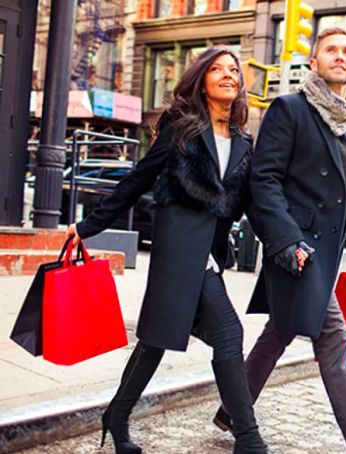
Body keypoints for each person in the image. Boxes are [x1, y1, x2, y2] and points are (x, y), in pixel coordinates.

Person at [211, 27, 346, 454]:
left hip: (323, 252)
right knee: (334, 337)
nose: (339, 56)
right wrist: (286, 241)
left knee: (281, 330)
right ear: (314, 62)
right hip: (296, 249)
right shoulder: (290, 110)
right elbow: (263, 180)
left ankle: (232, 411)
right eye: (331, 50)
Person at [65, 46, 267, 454]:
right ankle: (249, 441)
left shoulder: (245, 142)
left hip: (210, 254)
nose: (229, 75)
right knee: (228, 333)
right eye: (218, 69)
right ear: (202, 80)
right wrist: (88, 227)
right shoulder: (182, 127)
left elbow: (251, 205)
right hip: (179, 251)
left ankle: (116, 417)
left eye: (234, 70)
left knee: (156, 341)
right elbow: (138, 179)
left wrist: (286, 243)